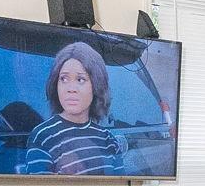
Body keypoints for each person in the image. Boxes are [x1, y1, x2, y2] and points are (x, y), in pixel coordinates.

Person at [19, 41, 125, 176]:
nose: (71, 89)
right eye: (64, 79)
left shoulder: (107, 139)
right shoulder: (43, 136)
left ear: (96, 85)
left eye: (80, 80)